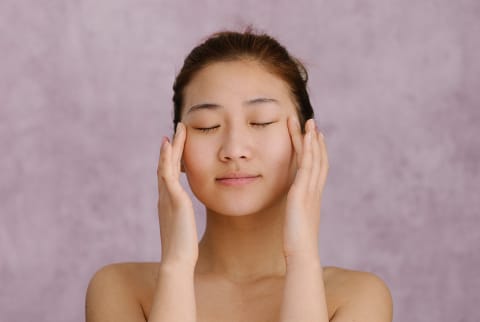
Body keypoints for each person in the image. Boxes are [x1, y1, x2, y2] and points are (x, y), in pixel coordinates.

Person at [85, 29, 393, 322]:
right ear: (177, 151)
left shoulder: (356, 296)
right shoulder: (121, 288)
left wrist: (301, 257)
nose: (234, 149)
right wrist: (177, 267)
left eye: (261, 122)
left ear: (306, 140)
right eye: (207, 125)